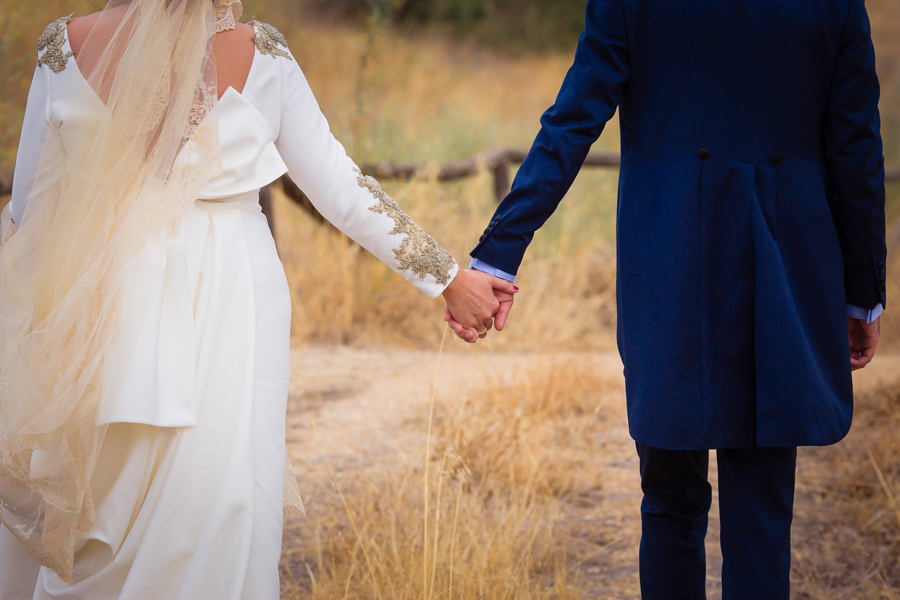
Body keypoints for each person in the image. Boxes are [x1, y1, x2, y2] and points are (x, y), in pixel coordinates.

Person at [0, 1, 512, 597]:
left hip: (101, 303)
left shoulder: (63, 48)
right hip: (231, 299)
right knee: (223, 495)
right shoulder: (262, 52)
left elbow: (29, 212)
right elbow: (340, 188)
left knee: (106, 505)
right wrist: (449, 278)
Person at [450, 0, 886, 597]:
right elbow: (857, 150)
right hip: (782, 274)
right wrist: (862, 294)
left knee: (670, 503)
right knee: (761, 518)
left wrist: (501, 249)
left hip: (671, 269)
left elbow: (572, 122)